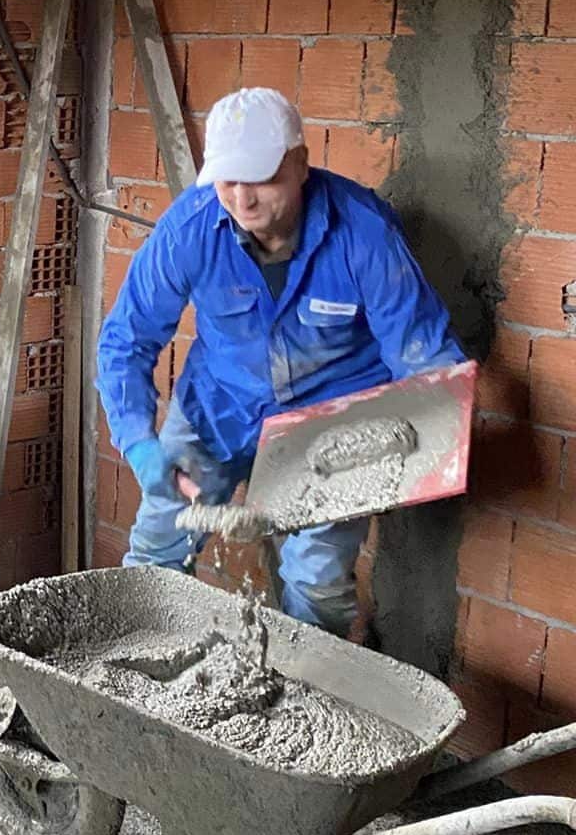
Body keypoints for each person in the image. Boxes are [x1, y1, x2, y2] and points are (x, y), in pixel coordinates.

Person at [97, 87, 463, 638]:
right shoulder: (189, 229)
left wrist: (406, 457)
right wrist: (138, 441)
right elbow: (125, 341)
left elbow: (428, 363)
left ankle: (305, 699)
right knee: (157, 545)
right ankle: (135, 688)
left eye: (260, 180)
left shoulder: (363, 233)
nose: (242, 200)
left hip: (333, 427)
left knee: (316, 579)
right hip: (218, 409)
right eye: (227, 181)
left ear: (299, 163)